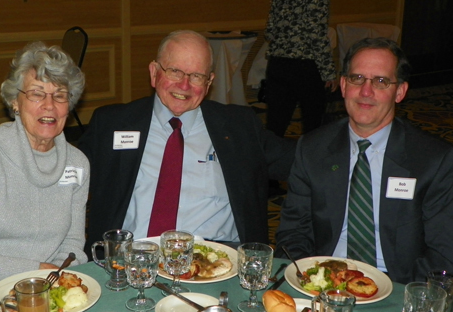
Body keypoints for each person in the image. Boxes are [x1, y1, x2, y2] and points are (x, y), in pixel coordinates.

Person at [79, 30, 296, 257]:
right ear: (154, 73)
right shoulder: (113, 123)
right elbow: (64, 173)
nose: (184, 86)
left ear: (209, 81)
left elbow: (305, 161)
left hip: (215, 264)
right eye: (174, 71)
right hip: (131, 262)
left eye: (196, 76)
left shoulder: (238, 127)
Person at [275, 37, 453, 284]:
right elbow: (293, 233)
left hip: (398, 284)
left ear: (400, 91)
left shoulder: (433, 160)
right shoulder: (312, 149)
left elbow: (443, 252)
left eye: (380, 81)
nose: (366, 92)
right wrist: (311, 280)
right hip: (325, 280)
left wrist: (400, 296)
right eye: (357, 78)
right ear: (343, 85)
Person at [0, 42, 90, 301]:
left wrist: (54, 284)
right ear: (15, 102)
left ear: (69, 105)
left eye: (59, 94)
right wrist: (35, 273)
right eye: (37, 93)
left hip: (45, 293)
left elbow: (72, 247)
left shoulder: (77, 164)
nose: (49, 105)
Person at [264, 0, 338, 137]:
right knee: (313, 124)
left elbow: (269, 32)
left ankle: (272, 157)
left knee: (275, 124)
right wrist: (329, 73)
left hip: (278, 63)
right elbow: (317, 36)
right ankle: (310, 157)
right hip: (306, 66)